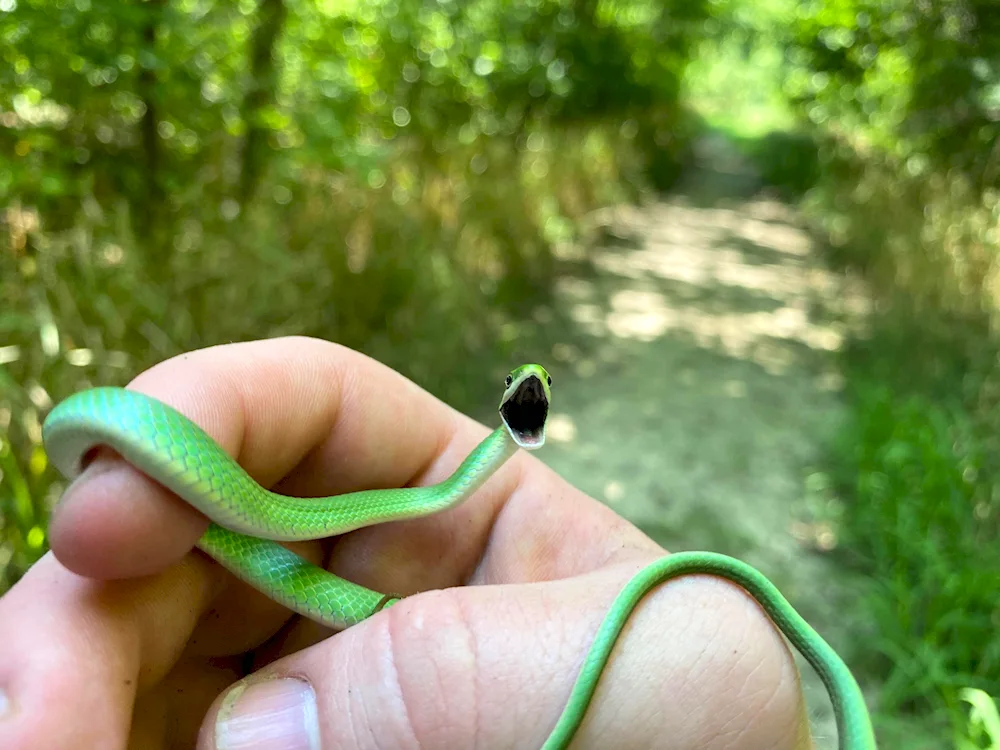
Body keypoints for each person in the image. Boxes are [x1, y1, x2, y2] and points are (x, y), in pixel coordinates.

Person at [0, 337, 812, 749]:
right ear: (505, 404)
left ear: (532, 418)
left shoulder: (459, 482)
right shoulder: (431, 493)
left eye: (538, 393)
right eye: (518, 386)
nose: (528, 389)